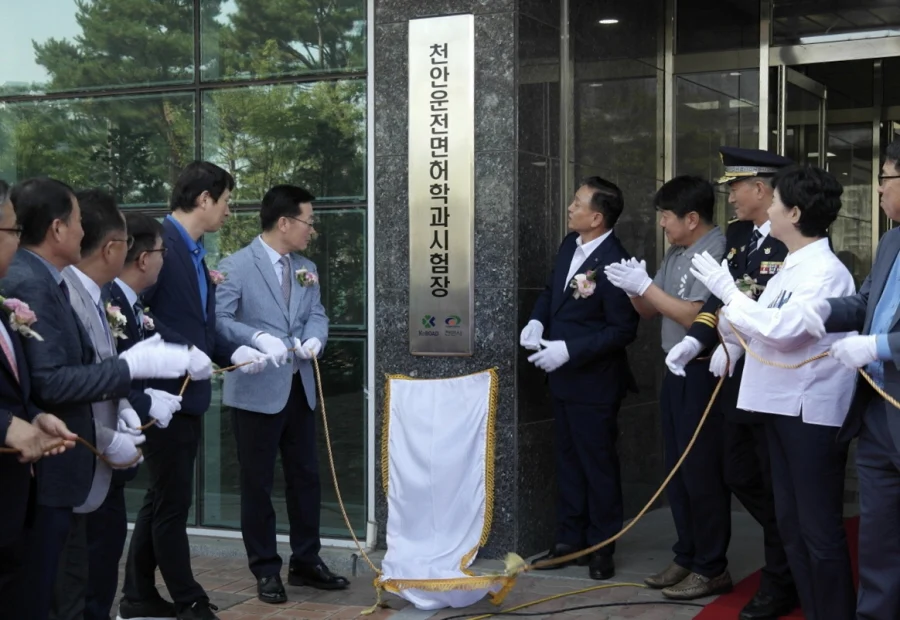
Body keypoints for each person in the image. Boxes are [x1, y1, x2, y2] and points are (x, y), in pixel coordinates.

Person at [2, 178, 190, 620]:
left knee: (75, 586)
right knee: (53, 594)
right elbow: (49, 380)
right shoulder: (30, 282)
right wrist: (131, 371)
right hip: (49, 472)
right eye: (79, 222)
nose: (86, 234)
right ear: (57, 229)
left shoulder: (52, 281)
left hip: (69, 458)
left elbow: (38, 379)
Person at [690, 164, 856, 620]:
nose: (771, 211)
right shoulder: (788, 267)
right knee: (792, 526)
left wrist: (728, 290)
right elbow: (757, 325)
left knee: (818, 530)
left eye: (778, 204)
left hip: (809, 412)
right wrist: (726, 329)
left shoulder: (825, 271)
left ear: (796, 212)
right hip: (778, 406)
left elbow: (784, 330)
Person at [119, 162, 271, 620]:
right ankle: (188, 598)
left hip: (188, 395)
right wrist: (184, 353)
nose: (230, 210)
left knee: (163, 498)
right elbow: (131, 313)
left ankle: (137, 596)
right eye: (226, 200)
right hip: (160, 394)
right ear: (204, 198)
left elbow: (203, 328)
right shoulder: (156, 243)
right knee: (173, 503)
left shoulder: (195, 252)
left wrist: (244, 348)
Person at [665, 147, 797, 619]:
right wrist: (698, 341)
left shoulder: (791, 241)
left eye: (736, 187)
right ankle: (788, 554)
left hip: (773, 377)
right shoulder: (742, 237)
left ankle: (783, 576)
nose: (732, 196)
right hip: (734, 378)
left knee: (768, 479)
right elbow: (722, 301)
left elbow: (763, 309)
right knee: (738, 473)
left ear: (761, 188)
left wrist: (732, 342)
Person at [216, 184, 346, 603]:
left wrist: (315, 340)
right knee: (257, 482)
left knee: (305, 478)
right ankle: (265, 567)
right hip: (256, 388)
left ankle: (306, 561)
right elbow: (218, 320)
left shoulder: (306, 266)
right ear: (284, 222)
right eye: (309, 221)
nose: (312, 230)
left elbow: (317, 314)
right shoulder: (235, 266)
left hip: (299, 386)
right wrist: (255, 337)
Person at [604, 176, 731, 600]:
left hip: (702, 369)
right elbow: (648, 310)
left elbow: (693, 314)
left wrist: (649, 290)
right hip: (674, 369)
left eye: (666, 215)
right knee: (676, 466)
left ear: (692, 218)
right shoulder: (678, 251)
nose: (661, 223)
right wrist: (634, 287)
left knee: (701, 469)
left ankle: (712, 565)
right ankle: (687, 553)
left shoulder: (715, 249)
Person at [799, 137, 900, 620]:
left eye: (884, 178)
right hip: (878, 413)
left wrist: (879, 346)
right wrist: (828, 309)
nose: (878, 190)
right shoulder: (891, 241)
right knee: (880, 538)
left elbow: (880, 333)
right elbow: (866, 303)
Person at [519, 177, 639, 580]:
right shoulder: (569, 244)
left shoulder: (616, 262)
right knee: (568, 461)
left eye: (577, 203)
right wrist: (537, 320)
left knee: (598, 464)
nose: (570, 208)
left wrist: (571, 349)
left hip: (595, 382)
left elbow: (623, 330)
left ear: (597, 217)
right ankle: (570, 539)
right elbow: (552, 290)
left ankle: (602, 545)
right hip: (561, 379)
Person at [0, 179, 77, 619]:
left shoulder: (4, 301)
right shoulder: (29, 282)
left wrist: (36, 415)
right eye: (12, 231)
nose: (19, 240)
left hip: (14, 503)